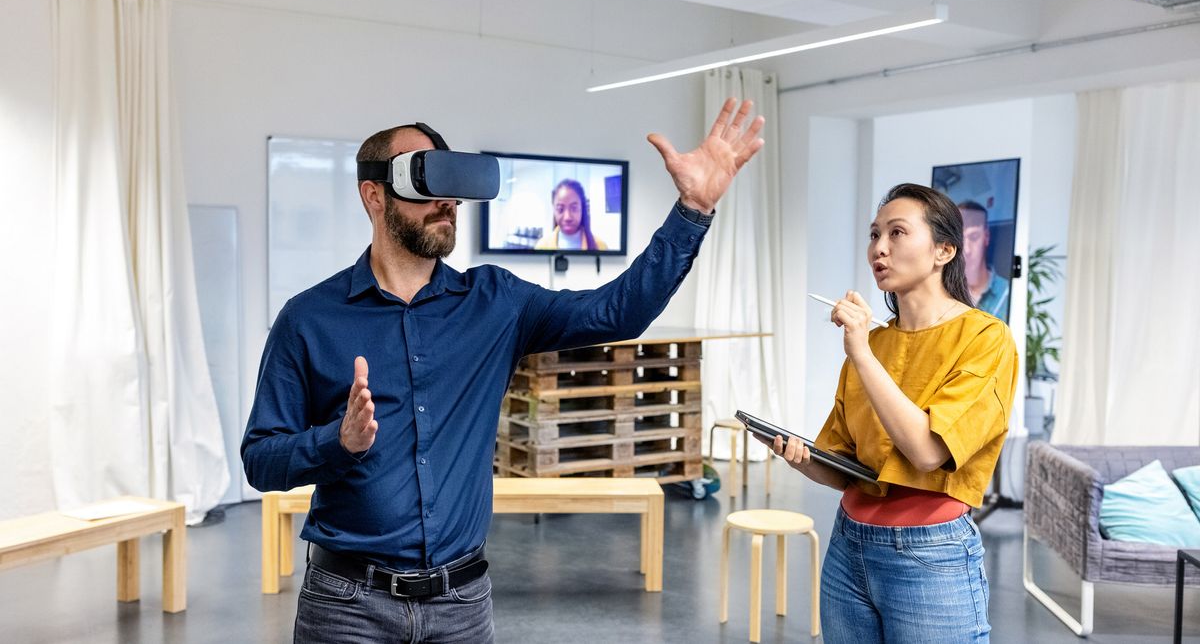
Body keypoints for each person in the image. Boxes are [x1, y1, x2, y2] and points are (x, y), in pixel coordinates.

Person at [241, 98, 764, 643]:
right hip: (346, 607)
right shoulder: (309, 319)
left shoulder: (494, 303)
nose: (446, 203)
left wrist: (693, 210)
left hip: (460, 606)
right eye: (425, 184)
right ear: (373, 196)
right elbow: (260, 461)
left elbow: (619, 310)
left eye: (452, 186)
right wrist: (337, 442)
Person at [762, 183, 1018, 643]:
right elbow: (846, 470)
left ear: (944, 250)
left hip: (931, 557)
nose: (879, 248)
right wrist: (803, 459)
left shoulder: (986, 339)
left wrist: (860, 352)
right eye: (875, 234)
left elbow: (924, 451)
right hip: (848, 546)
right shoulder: (875, 342)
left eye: (897, 232)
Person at [957, 200, 1009, 319]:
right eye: (959, 238)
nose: (967, 249)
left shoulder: (1007, 293)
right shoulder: (941, 291)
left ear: (986, 237)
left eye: (974, 237)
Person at [534, 178, 608, 250]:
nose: (567, 217)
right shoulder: (541, 246)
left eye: (574, 208)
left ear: (582, 208)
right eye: (560, 209)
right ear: (554, 210)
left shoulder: (600, 246)